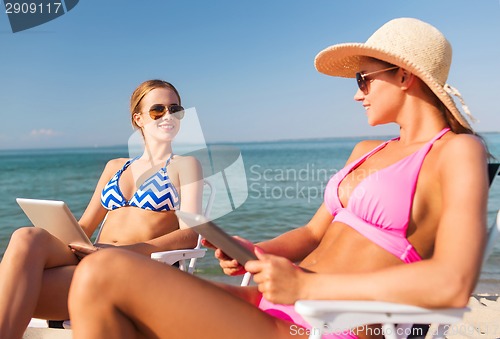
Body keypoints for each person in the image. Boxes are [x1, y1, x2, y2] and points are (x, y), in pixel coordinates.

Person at [68, 18, 489, 339]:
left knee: (103, 275)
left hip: (326, 326)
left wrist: (306, 285)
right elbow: (310, 234)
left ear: (403, 74)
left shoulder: (458, 151)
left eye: (363, 78)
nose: (357, 93)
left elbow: (451, 283)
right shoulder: (367, 151)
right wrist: (253, 250)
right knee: (101, 276)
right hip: (278, 300)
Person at [0, 79, 203, 339]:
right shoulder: (115, 166)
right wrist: (72, 240)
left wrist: (120, 252)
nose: (168, 116)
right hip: (93, 258)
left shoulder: (185, 165)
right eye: (158, 110)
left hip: (134, 270)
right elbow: (85, 226)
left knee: (17, 289)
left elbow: (190, 234)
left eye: (175, 109)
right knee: (27, 237)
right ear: (139, 119)